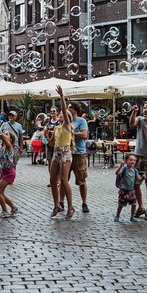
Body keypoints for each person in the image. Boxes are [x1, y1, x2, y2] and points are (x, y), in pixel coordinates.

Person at [49, 85, 75, 219]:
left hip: (65, 153)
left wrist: (62, 97)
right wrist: (47, 135)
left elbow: (64, 110)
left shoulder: (67, 126)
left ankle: (70, 208)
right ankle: (57, 205)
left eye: (62, 114)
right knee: (53, 180)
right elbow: (52, 143)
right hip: (56, 152)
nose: (60, 115)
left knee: (64, 180)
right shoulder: (57, 127)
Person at [67, 102, 90, 213]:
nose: (68, 110)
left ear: (75, 110)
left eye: (70, 108)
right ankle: (62, 203)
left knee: (81, 179)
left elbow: (84, 135)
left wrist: (71, 133)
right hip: (67, 153)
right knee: (64, 179)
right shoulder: (66, 121)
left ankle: (84, 202)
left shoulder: (81, 121)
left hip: (79, 153)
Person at [114, 154, 145, 223]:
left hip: (131, 191)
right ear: (126, 161)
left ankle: (132, 217)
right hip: (124, 190)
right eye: (131, 160)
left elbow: (138, 179)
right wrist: (120, 166)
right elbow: (116, 173)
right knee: (121, 204)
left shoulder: (135, 170)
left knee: (134, 204)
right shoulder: (124, 169)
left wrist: (142, 178)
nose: (133, 161)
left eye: (134, 160)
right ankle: (117, 216)